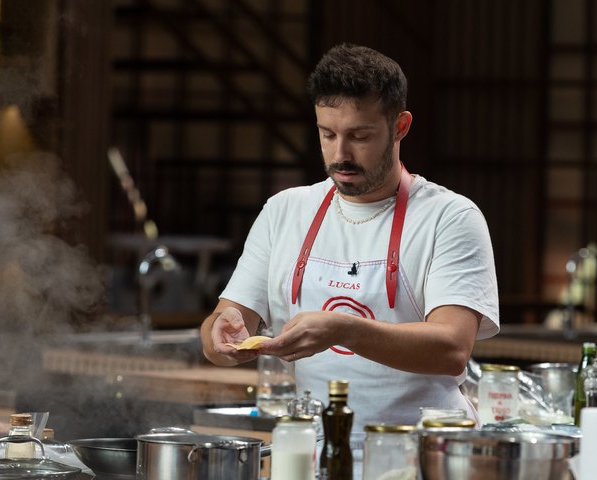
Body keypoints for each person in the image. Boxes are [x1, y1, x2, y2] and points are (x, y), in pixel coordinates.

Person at [201, 42, 499, 473]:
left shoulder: (449, 218)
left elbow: (452, 348)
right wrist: (221, 337)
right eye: (327, 134)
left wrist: (342, 329)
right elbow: (225, 324)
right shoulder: (285, 211)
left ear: (400, 126)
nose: (340, 154)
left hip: (421, 458)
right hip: (312, 454)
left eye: (359, 136)